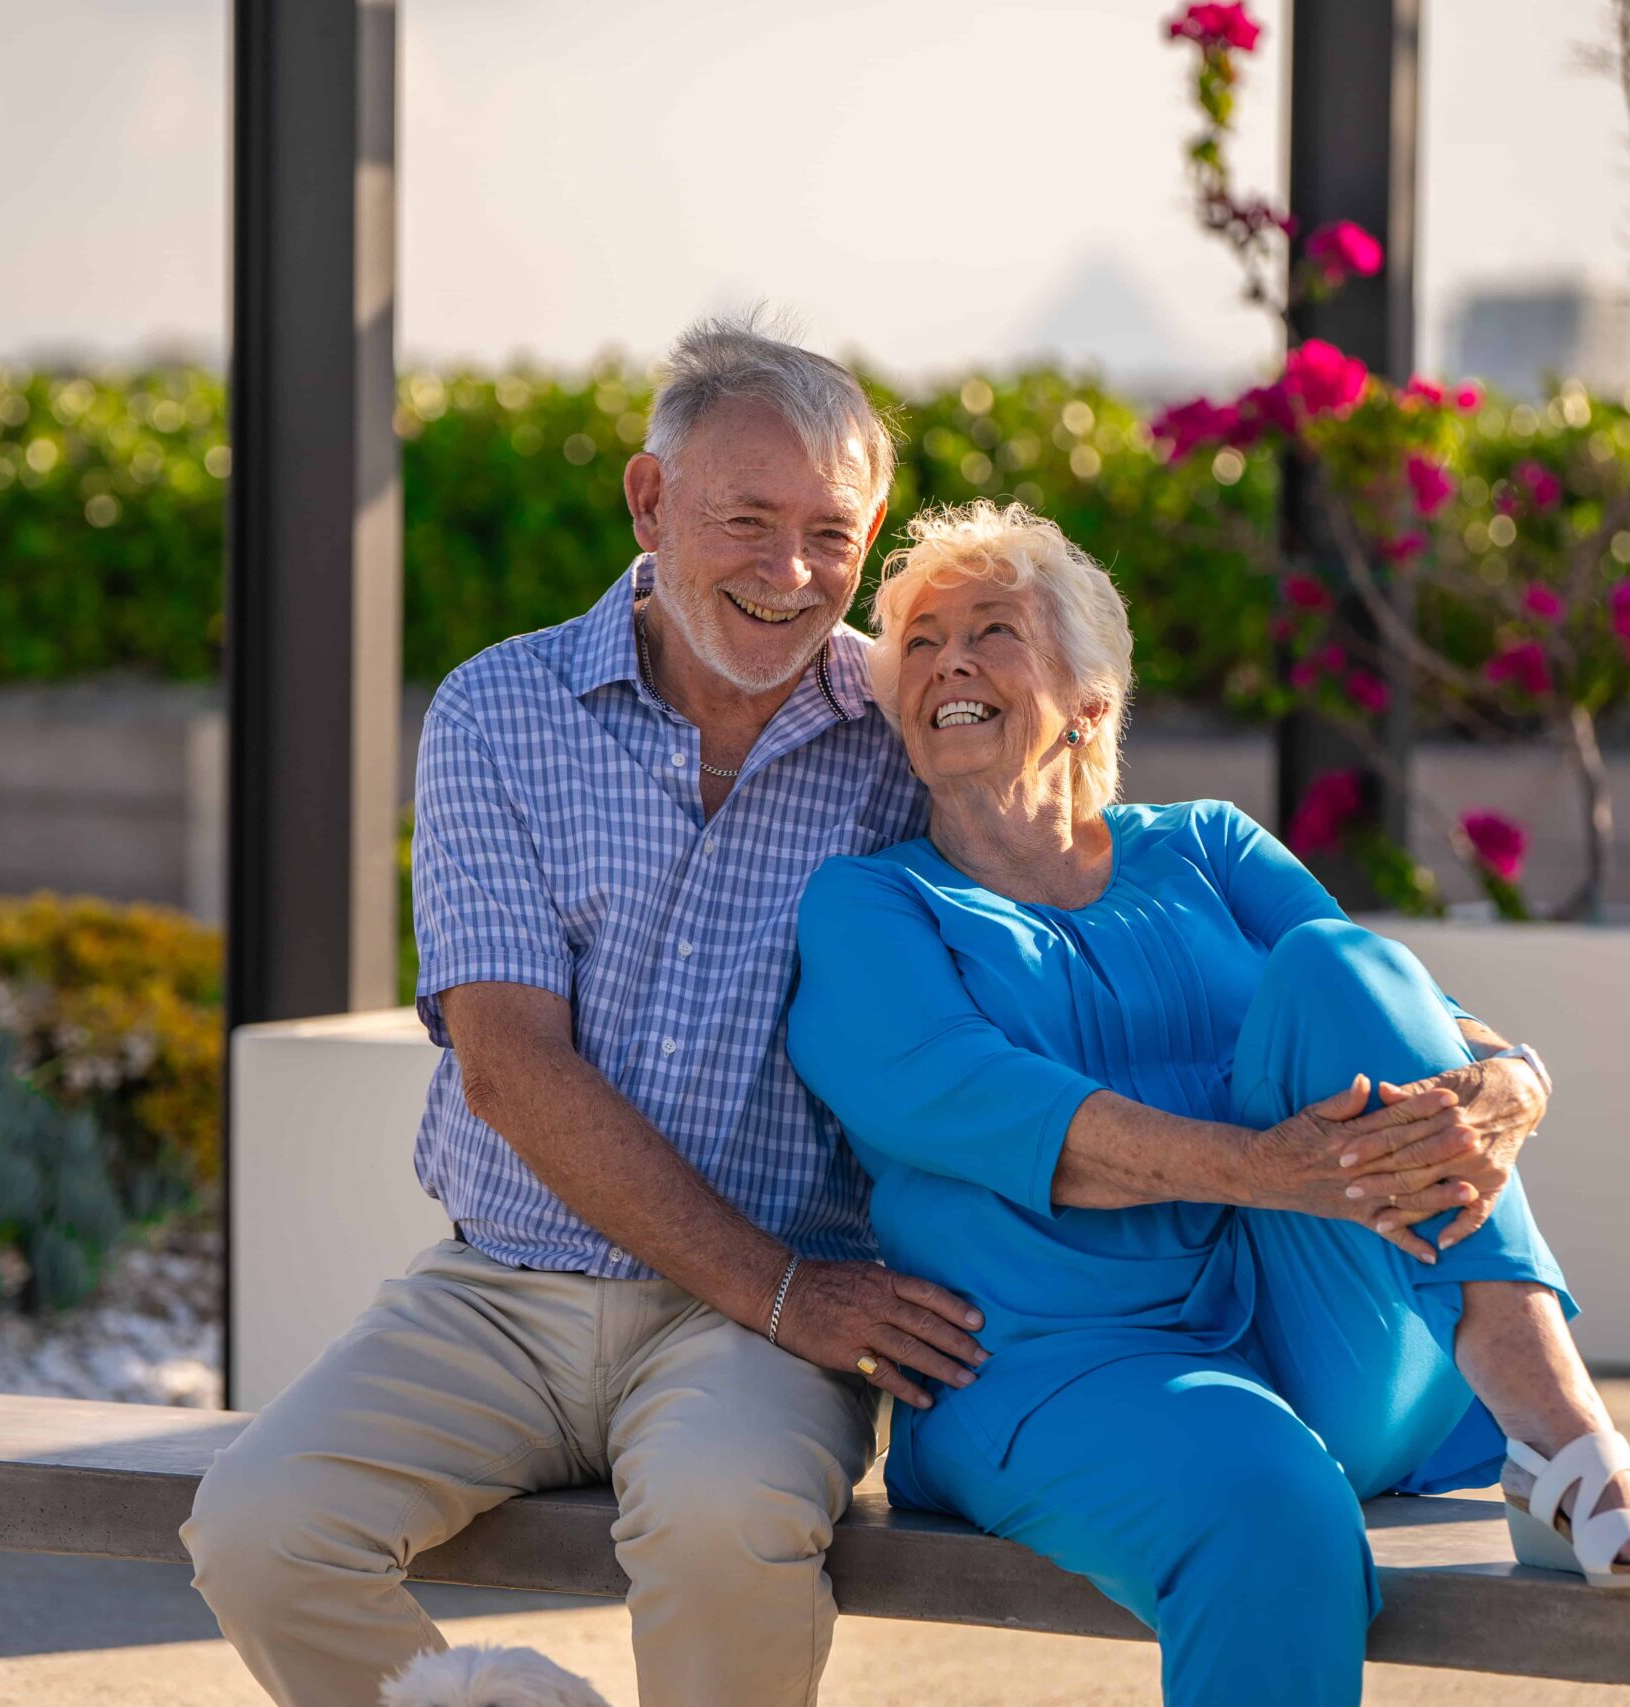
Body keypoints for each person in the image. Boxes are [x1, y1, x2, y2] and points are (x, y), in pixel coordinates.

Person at [179, 322, 992, 1706]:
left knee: (725, 1523)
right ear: (648, 500)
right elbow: (506, 1067)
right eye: (746, 518)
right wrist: (786, 1289)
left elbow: (1083, 896)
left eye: (831, 535)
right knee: (258, 1531)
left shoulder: (902, 730)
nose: (790, 574)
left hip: (747, 1334)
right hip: (502, 1290)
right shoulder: (501, 708)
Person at [787, 500, 1630, 1707]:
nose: (949, 660)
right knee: (1267, 1504)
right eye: (919, 642)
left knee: (1341, 967)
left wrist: (1516, 1080)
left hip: (1316, 1335)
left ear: (1091, 702)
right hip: (1053, 1370)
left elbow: (1403, 1007)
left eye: (993, 630)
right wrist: (1271, 1168)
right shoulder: (870, 908)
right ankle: (1539, 1456)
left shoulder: (1208, 849)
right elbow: (997, 1106)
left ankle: (1556, 1427)